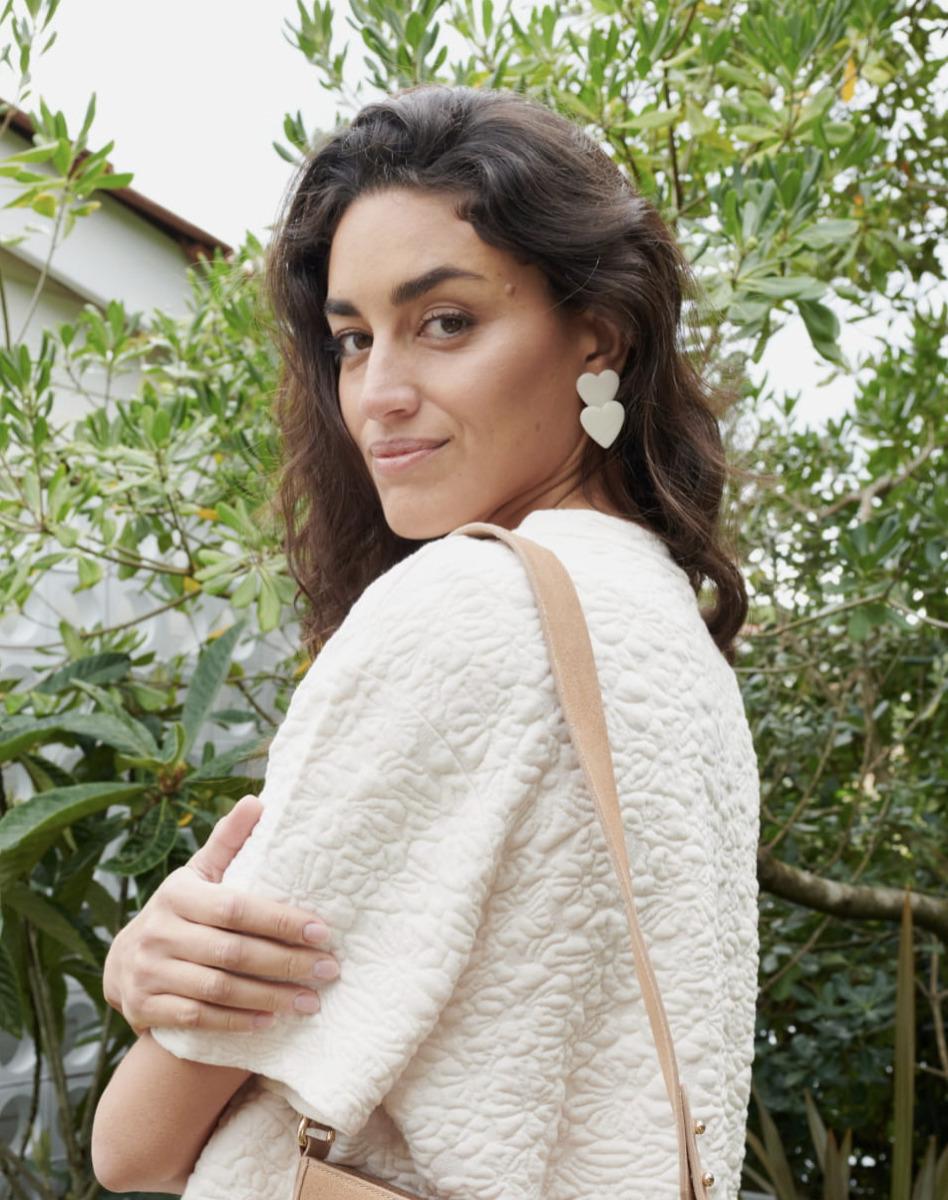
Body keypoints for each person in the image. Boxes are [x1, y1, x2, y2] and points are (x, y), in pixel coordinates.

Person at [91, 83, 760, 1200]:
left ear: (598, 336)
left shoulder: (466, 607)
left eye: (446, 322)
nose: (379, 395)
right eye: (353, 340)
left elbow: (134, 1148)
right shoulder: (671, 636)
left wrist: (140, 980)